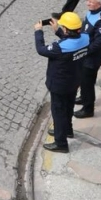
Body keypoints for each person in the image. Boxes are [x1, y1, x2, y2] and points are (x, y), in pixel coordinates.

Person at [36, 12, 90, 152]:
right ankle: (67, 130)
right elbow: (72, 43)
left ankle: (61, 143)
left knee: (58, 112)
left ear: (66, 29)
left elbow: (41, 49)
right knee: (69, 107)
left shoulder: (59, 47)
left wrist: (38, 32)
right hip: (74, 81)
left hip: (59, 84)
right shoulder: (85, 38)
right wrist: (58, 31)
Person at [74, 0, 101, 118]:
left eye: (91, 2)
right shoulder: (92, 12)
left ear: (99, 4)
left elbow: (99, 42)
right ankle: (84, 97)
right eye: (87, 1)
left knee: (87, 83)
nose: (88, 3)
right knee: (84, 80)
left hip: (91, 57)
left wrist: (84, 51)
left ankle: (88, 109)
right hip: (86, 54)